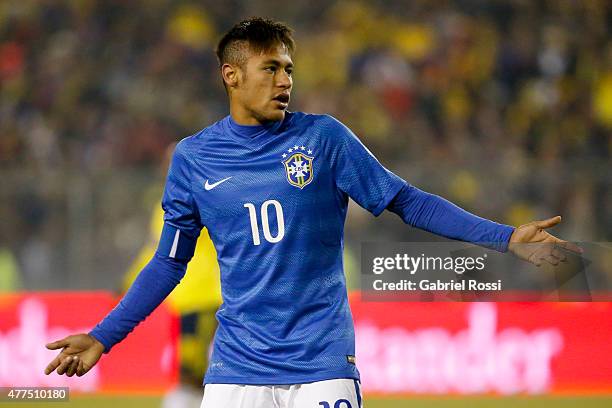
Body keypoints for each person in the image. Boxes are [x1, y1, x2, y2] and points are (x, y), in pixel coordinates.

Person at [44, 17, 581, 407]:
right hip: (236, 371)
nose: (285, 80)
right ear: (231, 75)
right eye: (270, 67)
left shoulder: (324, 139)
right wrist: (103, 335)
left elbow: (405, 200)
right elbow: (168, 263)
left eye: (289, 69)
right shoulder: (193, 158)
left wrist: (505, 236)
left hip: (321, 366)